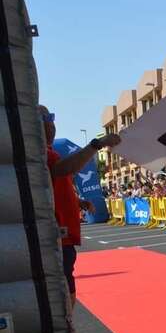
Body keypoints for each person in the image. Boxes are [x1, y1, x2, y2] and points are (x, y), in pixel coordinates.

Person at [40, 106, 121, 310]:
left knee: (67, 285)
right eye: (47, 119)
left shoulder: (48, 153)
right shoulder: (44, 155)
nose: (52, 124)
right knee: (64, 293)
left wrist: (78, 202)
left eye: (52, 118)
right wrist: (97, 144)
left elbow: (55, 187)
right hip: (58, 236)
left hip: (63, 236)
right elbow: (66, 169)